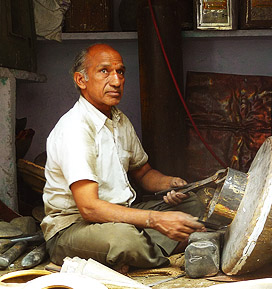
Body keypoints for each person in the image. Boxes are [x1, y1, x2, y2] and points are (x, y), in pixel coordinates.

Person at [41, 43, 205, 273]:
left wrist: (170, 183)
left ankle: (128, 258)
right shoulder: (75, 128)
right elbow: (89, 208)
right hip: (74, 227)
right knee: (125, 238)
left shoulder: (119, 120)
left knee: (191, 205)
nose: (117, 81)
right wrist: (155, 220)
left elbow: (144, 173)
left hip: (119, 215)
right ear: (81, 80)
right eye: (104, 71)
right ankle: (161, 251)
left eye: (120, 72)